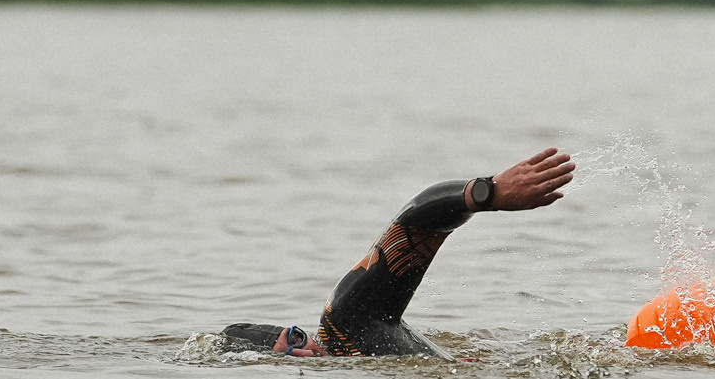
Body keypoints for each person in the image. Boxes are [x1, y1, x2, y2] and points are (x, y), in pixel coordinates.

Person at [223, 147, 575, 357]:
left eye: (297, 336)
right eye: (291, 351)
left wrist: (488, 193)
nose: (306, 349)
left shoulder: (347, 321)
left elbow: (414, 221)